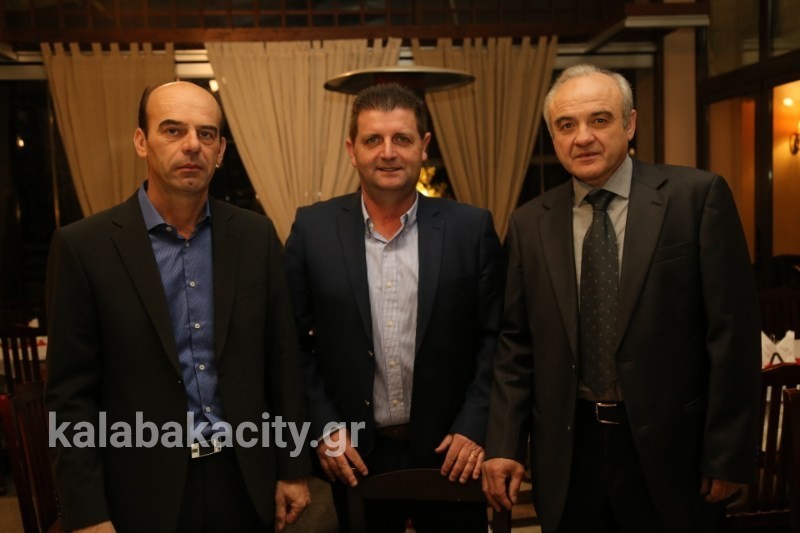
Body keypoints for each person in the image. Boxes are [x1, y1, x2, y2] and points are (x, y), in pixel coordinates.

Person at [482, 64, 761, 533]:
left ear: (630, 124)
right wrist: (505, 443)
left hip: (675, 454)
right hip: (570, 455)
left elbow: (732, 336)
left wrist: (728, 454)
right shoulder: (530, 223)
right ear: (553, 136)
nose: (583, 137)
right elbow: (516, 345)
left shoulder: (696, 198)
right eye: (566, 125)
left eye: (600, 119)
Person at [45, 81, 311, 533]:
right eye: (173, 130)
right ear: (141, 141)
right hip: (139, 491)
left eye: (206, 134)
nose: (192, 145)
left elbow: (282, 361)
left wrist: (293, 467)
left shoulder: (255, 237)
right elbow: (70, 398)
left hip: (245, 481)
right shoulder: (84, 248)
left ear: (220, 150)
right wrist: (87, 512)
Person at [283, 82, 506, 532]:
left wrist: (474, 424)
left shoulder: (470, 228)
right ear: (352, 150)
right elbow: (289, 342)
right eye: (373, 140)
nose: (388, 152)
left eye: (401, 138)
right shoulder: (313, 229)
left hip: (451, 454)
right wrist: (323, 427)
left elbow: (498, 338)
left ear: (424, 146)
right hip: (353, 457)